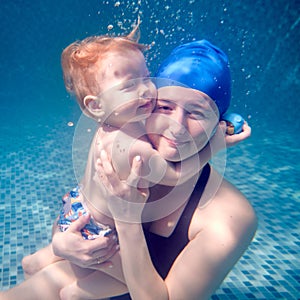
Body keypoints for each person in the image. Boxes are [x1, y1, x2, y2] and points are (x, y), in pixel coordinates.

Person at [2, 22, 251, 299]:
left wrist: (127, 218)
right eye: (166, 106)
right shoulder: (132, 140)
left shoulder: (229, 217)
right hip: (92, 251)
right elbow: (90, 203)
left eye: (196, 113)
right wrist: (61, 246)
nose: (175, 126)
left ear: (220, 122)